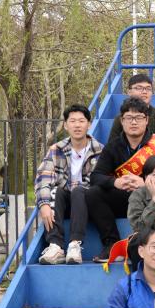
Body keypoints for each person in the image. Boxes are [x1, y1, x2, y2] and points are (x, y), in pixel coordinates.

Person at [88, 98, 155, 262]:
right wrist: (115, 182)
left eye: (138, 117)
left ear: (146, 120)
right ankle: (112, 244)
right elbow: (96, 176)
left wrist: (145, 183)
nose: (133, 122)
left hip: (150, 200)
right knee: (92, 193)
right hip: (123, 199)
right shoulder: (113, 146)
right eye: (129, 118)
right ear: (122, 121)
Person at [35, 105, 104, 265]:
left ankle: (74, 245)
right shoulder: (56, 149)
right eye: (72, 121)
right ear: (66, 125)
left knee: (79, 191)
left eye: (81, 121)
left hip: (89, 204)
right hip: (64, 203)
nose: (77, 125)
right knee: (55, 191)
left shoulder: (100, 151)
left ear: (89, 124)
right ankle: (55, 246)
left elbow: (101, 183)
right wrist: (44, 204)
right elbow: (43, 177)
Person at [108, 74, 155, 145]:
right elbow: (112, 145)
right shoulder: (122, 118)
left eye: (148, 88)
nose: (144, 92)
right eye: (139, 88)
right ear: (129, 92)